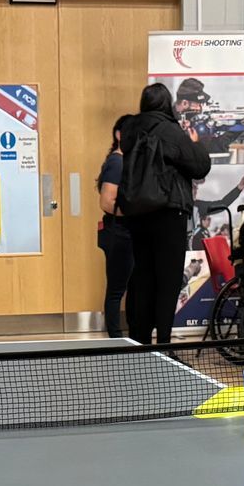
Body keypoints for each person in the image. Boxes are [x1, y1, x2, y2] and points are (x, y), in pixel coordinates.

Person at [118, 82, 211, 346]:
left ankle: (141, 341)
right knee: (168, 280)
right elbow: (199, 166)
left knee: (143, 276)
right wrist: (195, 143)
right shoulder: (170, 131)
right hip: (168, 213)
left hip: (136, 213)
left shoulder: (130, 130)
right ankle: (165, 343)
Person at [95, 114, 135, 338]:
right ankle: (115, 337)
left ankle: (130, 334)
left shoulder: (127, 161)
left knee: (130, 287)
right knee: (116, 289)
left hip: (127, 232)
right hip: (118, 233)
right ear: (119, 135)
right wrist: (135, 211)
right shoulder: (117, 162)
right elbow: (107, 202)